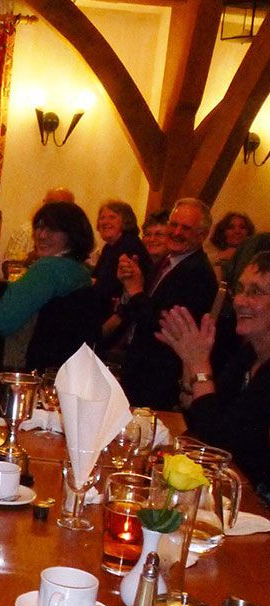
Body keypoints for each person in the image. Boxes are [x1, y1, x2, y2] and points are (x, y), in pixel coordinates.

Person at [156, 251, 270, 503]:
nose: (239, 301)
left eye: (255, 292)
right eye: (239, 289)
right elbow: (204, 419)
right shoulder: (249, 355)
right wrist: (191, 365)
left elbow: (226, 446)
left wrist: (199, 368)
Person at [116, 198, 218, 410]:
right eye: (174, 225)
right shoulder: (168, 261)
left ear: (202, 235)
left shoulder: (197, 273)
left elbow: (162, 327)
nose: (177, 232)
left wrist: (136, 290)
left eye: (186, 228)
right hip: (138, 366)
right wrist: (130, 285)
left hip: (158, 376)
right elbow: (141, 309)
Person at [0, 201, 98, 372]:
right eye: (39, 227)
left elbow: (3, 320)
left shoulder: (50, 268)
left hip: (35, 368)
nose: (41, 235)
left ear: (72, 235)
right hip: (65, 366)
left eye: (51, 229)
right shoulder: (79, 270)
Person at [92, 200, 151, 340]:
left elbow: (108, 286)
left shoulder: (129, 245)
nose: (105, 221)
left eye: (112, 217)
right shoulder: (110, 247)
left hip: (123, 319)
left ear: (125, 222)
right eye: (102, 217)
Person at [207, 211, 256, 282]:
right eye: (231, 227)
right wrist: (219, 257)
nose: (237, 231)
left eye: (242, 227)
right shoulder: (211, 255)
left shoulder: (255, 257)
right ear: (222, 232)